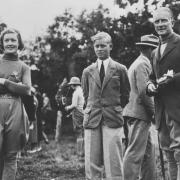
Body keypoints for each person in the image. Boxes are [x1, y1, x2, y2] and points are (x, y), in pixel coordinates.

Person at [81, 32, 130, 180]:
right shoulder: (87, 71)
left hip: (113, 118)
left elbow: (126, 95)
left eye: (103, 45)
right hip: (92, 119)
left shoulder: (120, 69)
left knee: (113, 161)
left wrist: (115, 108)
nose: (100, 49)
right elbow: (86, 95)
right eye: (97, 46)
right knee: (92, 161)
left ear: (110, 47)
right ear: (93, 48)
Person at [147, 7, 180, 180]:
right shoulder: (154, 52)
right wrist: (150, 86)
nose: (160, 24)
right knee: (168, 155)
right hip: (161, 110)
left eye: (163, 20)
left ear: (172, 22)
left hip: (177, 108)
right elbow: (152, 77)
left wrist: (172, 79)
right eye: (157, 21)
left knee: (179, 153)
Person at [123, 34, 159, 180]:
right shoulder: (143, 64)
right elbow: (145, 93)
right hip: (139, 113)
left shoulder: (138, 62)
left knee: (149, 152)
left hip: (136, 113)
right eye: (156, 50)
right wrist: (154, 113)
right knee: (135, 152)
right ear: (151, 50)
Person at [0, 28, 31, 180]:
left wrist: (4, 81)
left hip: (16, 110)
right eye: (7, 40)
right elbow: (21, 88)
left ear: (19, 43)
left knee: (11, 155)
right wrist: (14, 85)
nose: (10, 43)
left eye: (13, 40)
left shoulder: (24, 67)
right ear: (2, 43)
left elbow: (26, 90)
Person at [65, 76, 84, 160]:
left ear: (73, 85)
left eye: (71, 85)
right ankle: (84, 153)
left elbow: (74, 105)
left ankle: (80, 154)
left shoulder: (76, 93)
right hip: (84, 113)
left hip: (78, 114)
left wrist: (67, 108)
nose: (70, 87)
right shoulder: (83, 91)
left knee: (79, 134)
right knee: (84, 134)